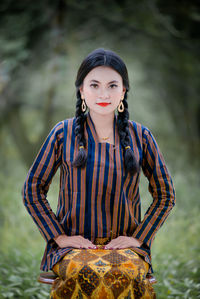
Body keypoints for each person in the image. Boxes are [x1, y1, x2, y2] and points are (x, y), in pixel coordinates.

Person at [22, 48, 175, 299]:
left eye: (113, 85)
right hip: (71, 247)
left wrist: (138, 238)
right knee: (83, 273)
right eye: (94, 85)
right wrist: (59, 237)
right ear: (81, 90)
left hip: (124, 248)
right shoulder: (63, 133)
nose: (104, 94)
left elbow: (166, 195)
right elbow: (32, 189)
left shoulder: (141, 136)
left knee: (125, 273)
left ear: (123, 91)